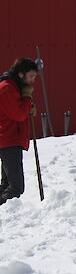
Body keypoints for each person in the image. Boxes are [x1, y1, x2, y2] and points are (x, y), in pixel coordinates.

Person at [0, 58, 38, 205]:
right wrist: (27, 98)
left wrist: (28, 105)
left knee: (7, 184)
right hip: (8, 139)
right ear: (21, 74)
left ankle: (5, 212)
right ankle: (7, 210)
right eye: (31, 76)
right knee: (16, 187)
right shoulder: (7, 88)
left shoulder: (13, 87)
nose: (33, 81)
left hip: (9, 139)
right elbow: (19, 114)